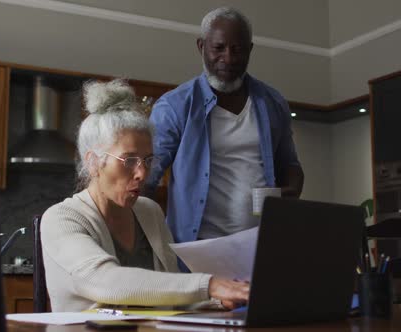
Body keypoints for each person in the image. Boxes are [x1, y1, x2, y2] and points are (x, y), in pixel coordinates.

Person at [40, 80, 249, 312]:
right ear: (93, 162)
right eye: (129, 160)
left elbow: (172, 296)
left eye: (148, 160)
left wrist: (218, 300)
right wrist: (209, 285)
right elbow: (105, 281)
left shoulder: (150, 212)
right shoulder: (61, 219)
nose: (142, 173)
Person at [146, 7, 304, 244]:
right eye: (218, 48)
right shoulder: (175, 106)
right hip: (198, 248)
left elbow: (290, 165)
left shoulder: (273, 103)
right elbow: (146, 176)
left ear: (250, 50)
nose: (228, 58)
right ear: (201, 47)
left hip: (260, 245)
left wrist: (291, 190)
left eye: (237, 49)